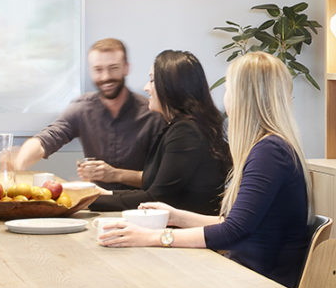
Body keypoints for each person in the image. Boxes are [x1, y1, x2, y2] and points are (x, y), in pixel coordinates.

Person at [96, 51, 312, 288]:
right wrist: (175, 216)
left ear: (242, 97)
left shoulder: (269, 152)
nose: (224, 97)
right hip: (247, 277)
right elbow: (235, 222)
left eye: (228, 89)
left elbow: (233, 231)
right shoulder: (271, 148)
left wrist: (154, 237)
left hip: (258, 287)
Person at [93, 50, 233, 216]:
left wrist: (88, 200)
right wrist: (102, 194)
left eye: (152, 80)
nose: (146, 87)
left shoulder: (186, 132)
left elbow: (156, 198)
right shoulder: (185, 126)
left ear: (171, 86)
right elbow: (156, 190)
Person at [10, 38, 162, 191]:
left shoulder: (152, 113)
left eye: (113, 68)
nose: (105, 77)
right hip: (98, 205)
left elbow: (163, 179)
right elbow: (48, 137)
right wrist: (19, 161)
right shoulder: (82, 108)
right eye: (98, 70)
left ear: (126, 68)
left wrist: (115, 174)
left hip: (141, 208)